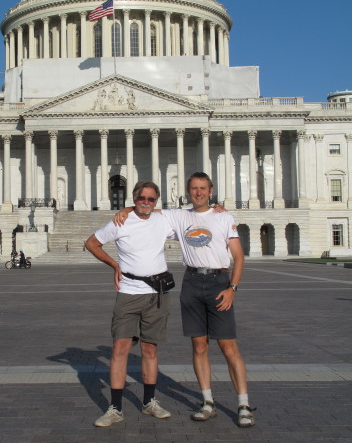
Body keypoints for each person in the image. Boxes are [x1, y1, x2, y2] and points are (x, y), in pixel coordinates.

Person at [115, 172, 255, 427]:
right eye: (194, 188)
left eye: (203, 188)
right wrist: (127, 207)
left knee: (228, 346)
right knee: (199, 345)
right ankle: (207, 401)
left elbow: (239, 256)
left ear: (210, 190)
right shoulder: (178, 216)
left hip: (218, 282)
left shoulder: (223, 217)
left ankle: (243, 404)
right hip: (191, 282)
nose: (198, 192)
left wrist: (233, 288)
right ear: (188, 191)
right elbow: (146, 209)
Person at [85, 181, 176, 427]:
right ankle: (115, 408)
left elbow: (193, 216)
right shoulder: (120, 221)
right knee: (119, 349)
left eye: (151, 199)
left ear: (157, 201)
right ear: (134, 198)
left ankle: (149, 402)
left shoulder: (163, 219)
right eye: (141, 198)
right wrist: (114, 265)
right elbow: (91, 243)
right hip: (128, 292)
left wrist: (217, 207)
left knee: (150, 350)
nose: (146, 202)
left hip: (157, 293)